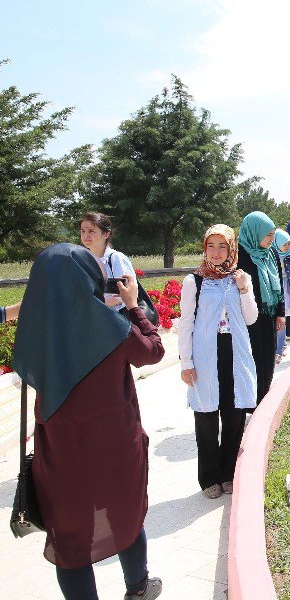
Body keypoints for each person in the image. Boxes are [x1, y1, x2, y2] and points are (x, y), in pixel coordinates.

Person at [14, 244, 165, 600]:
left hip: (61, 453)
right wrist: (133, 307)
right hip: (116, 445)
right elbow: (153, 350)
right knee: (125, 515)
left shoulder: (36, 331)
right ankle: (139, 587)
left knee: (69, 538)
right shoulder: (109, 326)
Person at [177, 224, 257, 499]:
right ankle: (209, 476)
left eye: (222, 246)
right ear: (204, 248)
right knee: (206, 418)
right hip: (205, 354)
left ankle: (228, 472)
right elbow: (186, 323)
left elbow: (251, 318)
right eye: (211, 246)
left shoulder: (240, 277)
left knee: (234, 416)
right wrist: (186, 362)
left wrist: (244, 289)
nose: (216, 252)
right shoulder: (195, 281)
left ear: (231, 249)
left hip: (234, 351)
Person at [236, 211, 284, 405]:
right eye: (268, 235)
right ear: (255, 233)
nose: (272, 240)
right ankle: (251, 401)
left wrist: (280, 313)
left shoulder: (271, 252)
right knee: (252, 358)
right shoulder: (240, 254)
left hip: (269, 314)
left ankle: (264, 399)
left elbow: (278, 282)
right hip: (248, 317)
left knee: (268, 357)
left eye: (273, 235)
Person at [78, 211, 137, 313]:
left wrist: (93, 303)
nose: (85, 235)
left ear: (106, 234)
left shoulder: (116, 259)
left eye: (91, 231)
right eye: (83, 231)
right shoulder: (82, 260)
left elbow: (126, 296)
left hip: (115, 321)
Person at [273, 229, 290, 362]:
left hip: (286, 290)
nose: (287, 247)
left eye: (288, 244)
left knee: (282, 319)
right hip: (275, 290)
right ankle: (281, 345)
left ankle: (279, 349)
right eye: (284, 244)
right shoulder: (270, 255)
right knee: (278, 319)